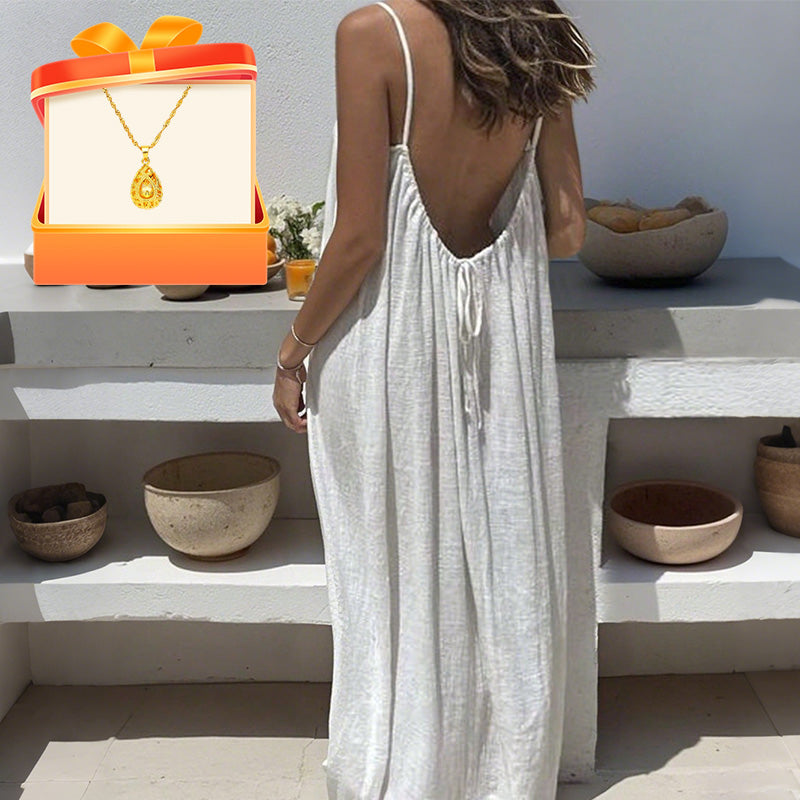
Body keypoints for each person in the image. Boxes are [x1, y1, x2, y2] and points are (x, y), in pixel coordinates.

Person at [273, 0, 595, 796]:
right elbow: (567, 229)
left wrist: (293, 352)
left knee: (391, 566)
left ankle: (408, 760)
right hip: (498, 355)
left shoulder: (372, 35)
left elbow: (360, 237)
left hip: (388, 347)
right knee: (499, 556)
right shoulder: (537, 36)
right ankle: (497, 766)